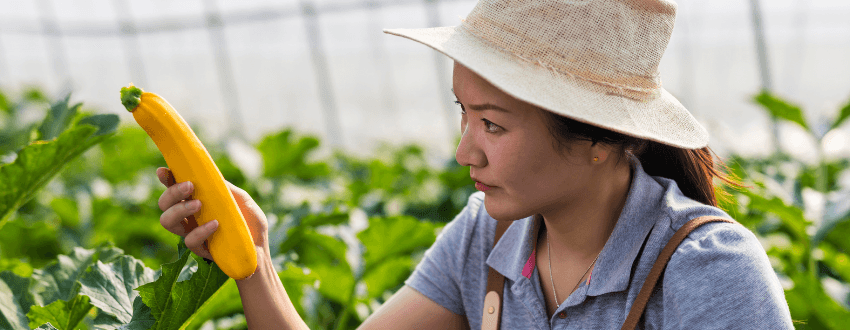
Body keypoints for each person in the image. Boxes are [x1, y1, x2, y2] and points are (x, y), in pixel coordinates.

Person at [155, 0, 793, 328]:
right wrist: (253, 260)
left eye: (492, 123)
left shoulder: (709, 273)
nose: (465, 152)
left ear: (600, 137)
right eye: (462, 112)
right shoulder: (487, 238)